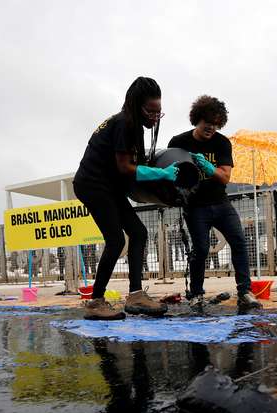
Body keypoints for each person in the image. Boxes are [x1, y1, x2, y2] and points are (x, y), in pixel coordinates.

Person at [72, 77, 173, 320]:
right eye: (151, 111)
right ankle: (96, 302)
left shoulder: (132, 124)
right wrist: (161, 173)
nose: (154, 117)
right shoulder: (125, 124)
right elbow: (126, 167)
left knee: (138, 232)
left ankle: (136, 295)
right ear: (136, 105)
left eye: (159, 112)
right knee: (116, 241)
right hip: (93, 184)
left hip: (109, 185)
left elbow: (130, 166)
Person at [168, 95, 262, 311]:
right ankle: (196, 294)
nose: (211, 127)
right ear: (197, 120)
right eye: (207, 123)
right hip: (195, 205)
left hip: (221, 203)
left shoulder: (221, 142)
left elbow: (225, 176)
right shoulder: (178, 142)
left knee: (239, 241)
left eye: (216, 123)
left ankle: (244, 291)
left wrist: (210, 169)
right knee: (200, 249)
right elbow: (169, 171)